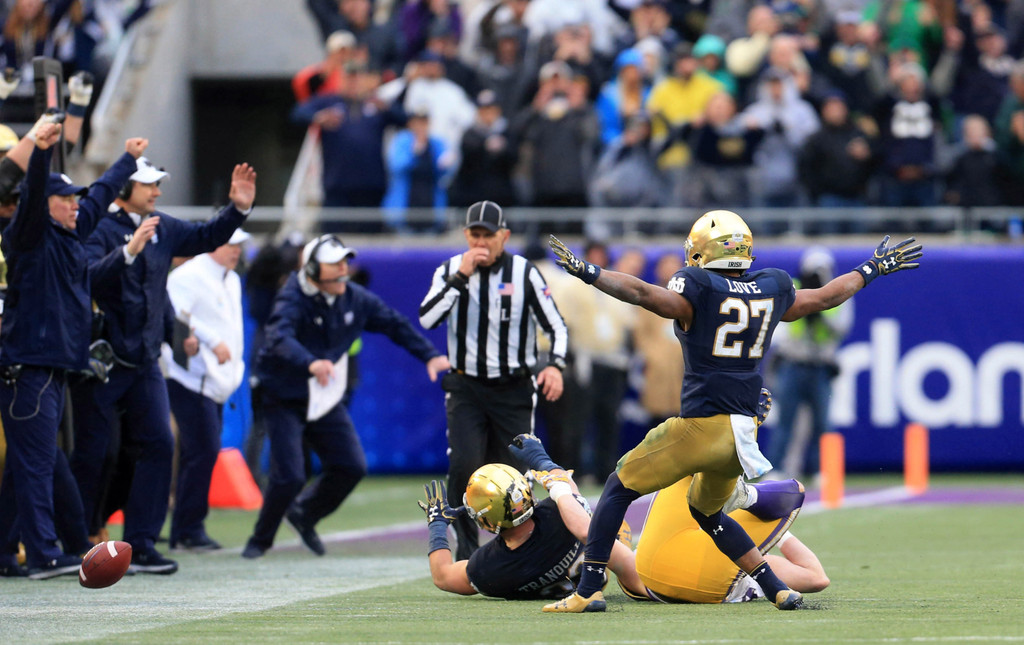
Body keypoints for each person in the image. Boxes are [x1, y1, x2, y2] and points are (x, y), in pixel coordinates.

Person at [542, 209, 922, 612]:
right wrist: (872, 268)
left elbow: (643, 294)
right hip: (743, 434)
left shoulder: (697, 286)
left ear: (702, 253)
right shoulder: (770, 287)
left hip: (700, 427)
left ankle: (588, 589)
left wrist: (590, 273)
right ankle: (777, 587)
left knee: (618, 487)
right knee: (708, 514)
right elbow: (826, 297)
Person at [70, 158, 256, 575]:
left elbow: (206, 236)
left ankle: (141, 544)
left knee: (159, 444)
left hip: (146, 362)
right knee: (97, 451)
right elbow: (87, 281)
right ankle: (78, 536)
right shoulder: (97, 228)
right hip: (102, 362)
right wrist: (128, 252)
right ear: (124, 189)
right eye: (148, 186)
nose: (156, 193)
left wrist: (237, 210)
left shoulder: (163, 225)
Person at [0, 121, 147, 579]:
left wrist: (126, 161)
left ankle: (4, 552)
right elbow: (31, 198)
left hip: (51, 369)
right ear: (42, 206)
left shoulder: (68, 235)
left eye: (73, 199)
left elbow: (100, 195)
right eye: (64, 199)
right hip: (30, 368)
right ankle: (43, 552)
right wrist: (42, 153)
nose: (74, 205)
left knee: (26, 466)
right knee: (36, 465)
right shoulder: (29, 237)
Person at [243, 234, 450, 559]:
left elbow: (393, 323)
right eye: (335, 264)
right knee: (290, 475)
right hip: (283, 393)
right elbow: (278, 337)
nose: (344, 270)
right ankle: (260, 540)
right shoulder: (292, 297)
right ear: (312, 269)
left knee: (351, 466)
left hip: (324, 395)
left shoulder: (354, 297)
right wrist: (309, 362)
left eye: (345, 263)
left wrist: (429, 355)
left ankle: (304, 514)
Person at [418, 200, 568, 561]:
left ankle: (519, 547)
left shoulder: (524, 272)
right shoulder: (451, 269)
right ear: (466, 235)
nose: (481, 242)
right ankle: (467, 550)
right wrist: (460, 277)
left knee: (516, 472)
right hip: (466, 385)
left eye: (489, 235)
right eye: (475, 234)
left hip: (513, 388)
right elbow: (428, 318)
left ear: (505, 236)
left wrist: (555, 366)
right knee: (464, 466)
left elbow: (556, 325)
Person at [417, 434, 643, 600]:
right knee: (609, 524)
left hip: (530, 577)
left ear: (487, 521)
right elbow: (566, 489)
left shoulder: (487, 567)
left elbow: (443, 576)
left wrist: (437, 525)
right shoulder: (559, 515)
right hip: (602, 554)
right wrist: (540, 459)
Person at [162, 228, 252, 552]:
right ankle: (187, 528)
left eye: (239, 244)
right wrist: (212, 344)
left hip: (216, 380)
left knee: (199, 452)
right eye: (230, 243)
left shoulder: (231, 279)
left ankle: (187, 527)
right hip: (190, 377)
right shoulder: (188, 275)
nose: (236, 250)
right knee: (202, 451)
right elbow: (176, 317)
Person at [764, 248, 853, 481]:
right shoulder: (793, 290)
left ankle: (817, 469)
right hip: (793, 361)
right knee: (785, 420)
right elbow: (779, 329)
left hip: (821, 364)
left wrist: (821, 308)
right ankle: (776, 468)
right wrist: (805, 307)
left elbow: (841, 328)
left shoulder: (838, 293)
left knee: (822, 422)